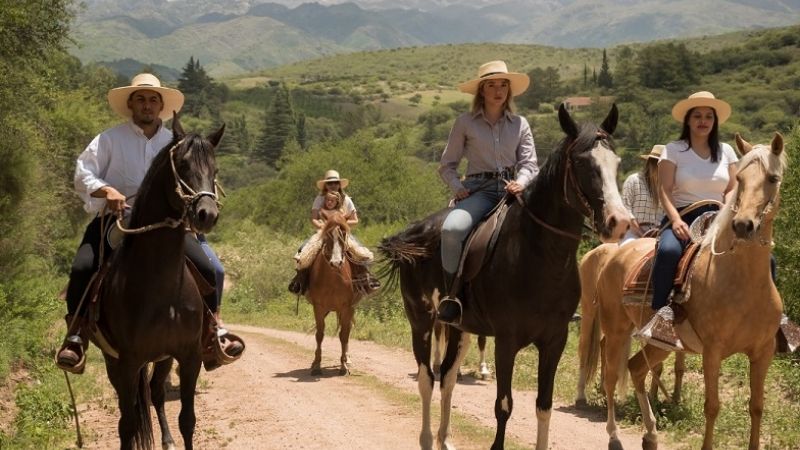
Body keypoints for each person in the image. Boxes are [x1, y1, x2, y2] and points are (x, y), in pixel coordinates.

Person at [56, 73, 243, 374]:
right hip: (117, 218)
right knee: (82, 267)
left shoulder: (176, 143)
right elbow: (82, 173)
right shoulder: (109, 139)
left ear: (161, 106)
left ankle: (212, 331)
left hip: (169, 224)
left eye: (153, 99)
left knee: (213, 270)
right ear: (131, 104)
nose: (147, 105)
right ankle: (76, 336)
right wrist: (107, 190)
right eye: (140, 99)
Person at [436, 60, 539, 325]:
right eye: (491, 85)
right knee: (452, 231)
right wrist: (458, 188)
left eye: (503, 85)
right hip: (478, 191)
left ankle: (549, 297)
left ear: (509, 90)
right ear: (482, 90)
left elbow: (529, 164)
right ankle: (452, 296)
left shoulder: (520, 124)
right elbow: (447, 165)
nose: (498, 90)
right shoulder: (465, 123)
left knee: (546, 228)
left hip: (512, 190)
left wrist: (522, 182)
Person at [644, 91, 738, 349]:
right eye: (697, 116)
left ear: (715, 121)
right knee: (669, 251)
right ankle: (661, 315)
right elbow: (664, 190)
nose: (703, 121)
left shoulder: (727, 151)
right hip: (683, 215)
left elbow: (732, 187)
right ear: (688, 120)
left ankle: (772, 318)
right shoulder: (674, 150)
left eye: (708, 116)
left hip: (719, 217)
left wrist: (727, 208)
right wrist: (675, 220)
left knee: (762, 255)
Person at [288, 170, 380, 295]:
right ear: (325, 185)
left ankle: (366, 279)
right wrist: (324, 226)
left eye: (335, 183)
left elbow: (355, 220)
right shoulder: (320, 198)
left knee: (360, 252)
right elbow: (314, 218)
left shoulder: (346, 199)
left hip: (342, 233)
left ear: (339, 184)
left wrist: (340, 224)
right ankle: (300, 281)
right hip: (323, 233)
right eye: (330, 183)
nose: (333, 185)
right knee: (304, 251)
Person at [620, 144, 665, 246]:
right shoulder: (633, 180)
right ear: (651, 164)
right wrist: (642, 234)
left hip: (658, 234)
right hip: (633, 232)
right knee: (627, 248)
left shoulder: (666, 187)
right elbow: (626, 210)